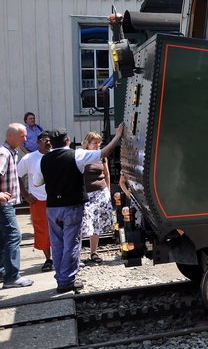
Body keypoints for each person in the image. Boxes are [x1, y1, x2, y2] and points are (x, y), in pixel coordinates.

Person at [37, 124, 123, 293]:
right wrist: (117, 136)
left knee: (58, 244)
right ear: (68, 140)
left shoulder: (44, 159)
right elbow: (103, 153)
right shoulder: (77, 155)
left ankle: (61, 277)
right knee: (71, 243)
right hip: (72, 206)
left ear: (51, 143)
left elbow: (36, 182)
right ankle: (66, 281)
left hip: (52, 207)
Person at [0, 123, 35, 288]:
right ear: (10, 136)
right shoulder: (4, 153)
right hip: (3, 204)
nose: (25, 139)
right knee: (14, 236)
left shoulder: (11, 153)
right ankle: (12, 277)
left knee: (3, 238)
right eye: (22, 136)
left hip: (7, 203)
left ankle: (3, 272)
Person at [17, 132, 53, 271]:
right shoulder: (29, 158)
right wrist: (25, 194)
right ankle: (48, 259)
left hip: (56, 200)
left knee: (60, 231)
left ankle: (60, 258)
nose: (48, 142)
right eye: (45, 140)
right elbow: (17, 175)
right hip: (38, 200)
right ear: (38, 142)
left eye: (50, 140)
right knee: (42, 231)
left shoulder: (55, 155)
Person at [80, 132, 112, 264]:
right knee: (83, 223)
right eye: (95, 143)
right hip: (87, 194)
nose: (98, 145)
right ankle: (77, 254)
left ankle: (94, 252)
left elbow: (107, 174)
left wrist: (108, 191)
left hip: (100, 192)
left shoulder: (102, 156)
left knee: (96, 224)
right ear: (87, 143)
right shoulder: (82, 156)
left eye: (99, 143)